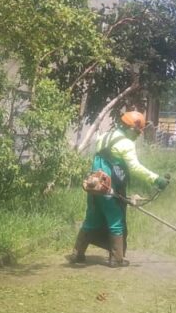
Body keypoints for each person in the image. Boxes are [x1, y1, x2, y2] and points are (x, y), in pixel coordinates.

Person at [71, 110, 168, 267]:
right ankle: (116, 259)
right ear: (129, 128)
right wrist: (156, 179)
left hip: (94, 185)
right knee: (116, 220)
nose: (138, 135)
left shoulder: (104, 136)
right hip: (109, 188)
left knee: (91, 218)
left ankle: (77, 254)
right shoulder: (126, 144)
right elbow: (135, 167)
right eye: (137, 132)